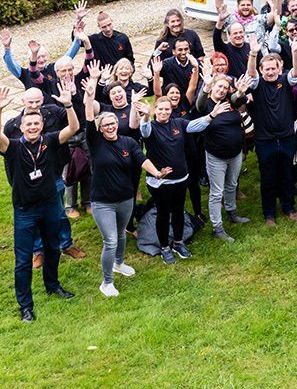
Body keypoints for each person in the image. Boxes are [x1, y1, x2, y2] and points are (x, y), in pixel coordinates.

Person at [0, 83, 79, 322]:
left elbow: (73, 127)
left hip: (49, 207)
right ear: (21, 127)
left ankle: (53, 285)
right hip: (25, 211)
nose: (33, 127)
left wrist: (68, 104)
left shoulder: (51, 140)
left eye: (36, 123)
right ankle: (25, 306)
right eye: (28, 124)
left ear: (41, 125)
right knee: (23, 261)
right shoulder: (13, 147)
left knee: (52, 249)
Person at [84, 101, 171, 297]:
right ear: (100, 129)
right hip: (102, 202)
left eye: (113, 122)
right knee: (111, 240)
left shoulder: (128, 143)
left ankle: (119, 264)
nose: (111, 126)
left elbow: (142, 159)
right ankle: (106, 283)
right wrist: (89, 95)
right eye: (106, 124)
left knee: (122, 234)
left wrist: (157, 173)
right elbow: (89, 118)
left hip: (125, 199)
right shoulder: (96, 143)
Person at [132, 95, 219, 264]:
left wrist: (212, 115)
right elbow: (144, 130)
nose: (164, 112)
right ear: (155, 109)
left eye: (167, 109)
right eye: (160, 109)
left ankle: (178, 243)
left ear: (171, 110)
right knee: (163, 214)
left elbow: (196, 125)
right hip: (160, 182)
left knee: (179, 211)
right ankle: (164, 247)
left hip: (181, 178)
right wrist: (145, 115)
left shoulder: (178, 123)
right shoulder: (151, 126)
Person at [244, 34, 297, 226]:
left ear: (279, 68)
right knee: (268, 179)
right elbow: (251, 76)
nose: (270, 72)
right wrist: (253, 54)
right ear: (261, 70)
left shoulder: (285, 81)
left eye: (273, 69)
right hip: (265, 141)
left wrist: (294, 52)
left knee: (287, 176)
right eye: (266, 69)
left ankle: (289, 207)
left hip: (287, 138)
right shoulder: (257, 84)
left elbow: (296, 73)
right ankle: (269, 214)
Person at [194, 73, 253, 240]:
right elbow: (199, 104)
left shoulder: (230, 102)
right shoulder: (205, 104)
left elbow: (236, 99)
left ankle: (231, 212)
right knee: (216, 192)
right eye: (219, 86)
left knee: (232, 184)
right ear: (213, 87)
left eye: (225, 88)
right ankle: (217, 228)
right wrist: (205, 87)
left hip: (235, 154)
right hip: (216, 156)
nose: (222, 90)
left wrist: (240, 92)